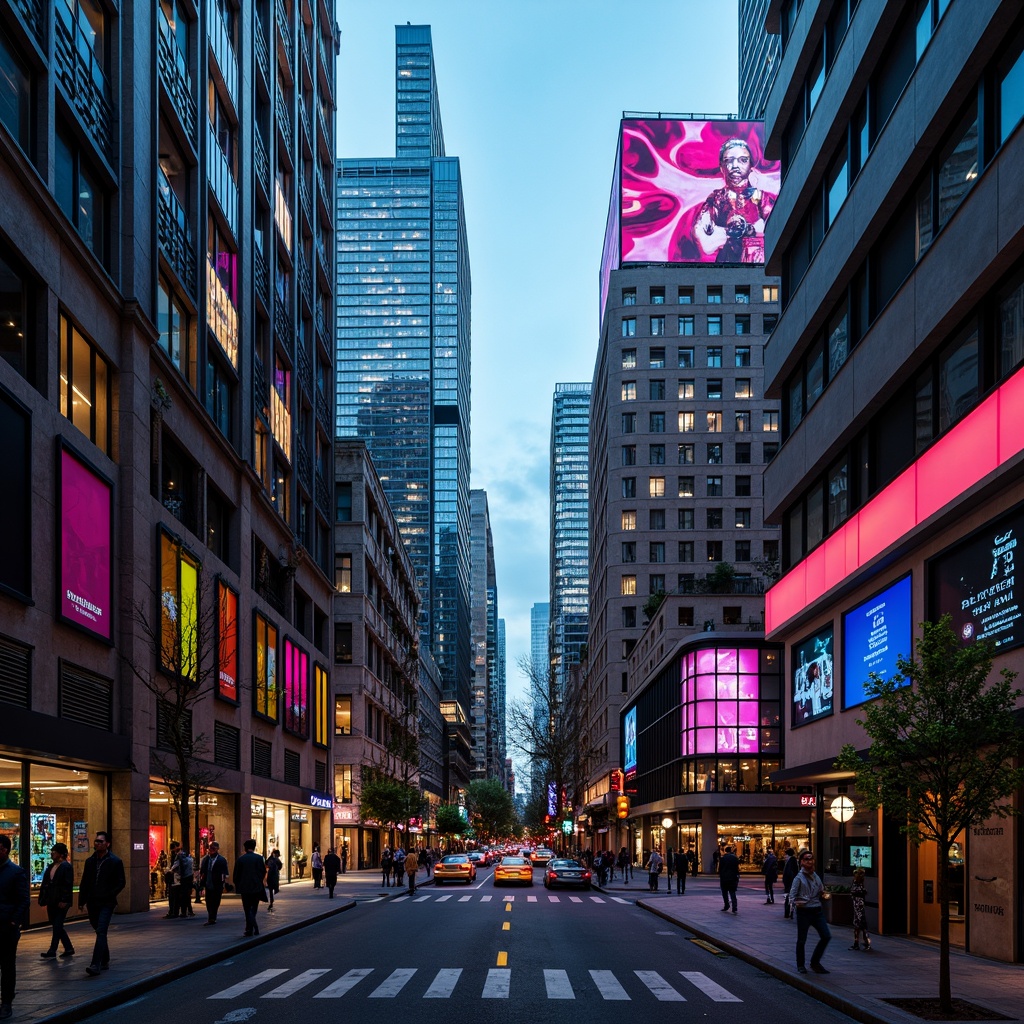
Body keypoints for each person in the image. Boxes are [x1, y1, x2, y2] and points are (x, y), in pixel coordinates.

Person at [691, 137, 776, 263]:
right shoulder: (716, 200)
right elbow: (703, 239)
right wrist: (731, 232)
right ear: (722, 167)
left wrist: (750, 231)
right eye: (729, 161)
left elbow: (776, 230)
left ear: (751, 166)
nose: (735, 166)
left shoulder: (762, 199)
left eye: (742, 160)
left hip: (756, 266)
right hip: (725, 267)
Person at [78, 830, 125, 977]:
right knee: (98, 929)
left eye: (100, 841)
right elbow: (84, 882)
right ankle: (105, 958)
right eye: (96, 841)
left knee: (101, 930)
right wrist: (81, 901)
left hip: (107, 902)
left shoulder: (115, 861)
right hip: (93, 902)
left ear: (107, 844)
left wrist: (110, 893)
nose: (97, 844)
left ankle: (95, 964)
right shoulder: (90, 861)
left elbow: (121, 882)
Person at [0, 834, 29, 1019]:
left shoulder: (16, 872)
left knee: (7, 966)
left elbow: (24, 900)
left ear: (4, 850)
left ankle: (6, 1002)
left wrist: (13, 922)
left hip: (6, 928)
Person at [789, 850, 831, 974]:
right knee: (802, 939)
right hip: (804, 912)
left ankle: (815, 962)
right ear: (801, 862)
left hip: (817, 911)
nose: (810, 861)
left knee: (826, 936)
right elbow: (792, 896)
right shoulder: (799, 878)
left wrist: (823, 894)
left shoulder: (816, 876)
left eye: (811, 859)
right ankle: (800, 965)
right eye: (807, 859)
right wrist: (800, 902)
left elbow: (821, 889)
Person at [38, 842, 75, 957]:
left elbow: (67, 885)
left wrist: (65, 900)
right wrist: (43, 898)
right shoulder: (51, 866)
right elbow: (46, 883)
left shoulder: (66, 867)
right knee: (56, 924)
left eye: (54, 852)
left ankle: (52, 950)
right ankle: (68, 948)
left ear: (60, 854)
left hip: (61, 900)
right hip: (52, 899)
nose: (52, 854)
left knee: (57, 924)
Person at [232, 839, 267, 938]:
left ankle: (250, 928)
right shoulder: (259, 858)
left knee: (247, 908)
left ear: (245, 848)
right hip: (256, 887)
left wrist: (238, 884)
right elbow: (263, 872)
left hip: (245, 888)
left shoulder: (240, 859)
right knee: (254, 908)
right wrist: (258, 881)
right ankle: (252, 927)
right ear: (254, 847)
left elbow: (236, 875)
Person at [199, 842, 229, 926]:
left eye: (213, 848)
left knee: (215, 901)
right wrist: (202, 881)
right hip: (208, 882)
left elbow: (225, 872)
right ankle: (210, 916)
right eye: (210, 848)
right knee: (208, 900)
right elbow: (202, 871)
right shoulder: (205, 859)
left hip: (217, 883)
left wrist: (223, 881)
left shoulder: (221, 859)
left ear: (217, 849)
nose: (211, 850)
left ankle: (212, 917)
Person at [850, 868, 872, 951]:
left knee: (861, 924)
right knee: (858, 925)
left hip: (859, 906)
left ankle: (866, 943)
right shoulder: (857, 883)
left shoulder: (859, 884)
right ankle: (858, 943)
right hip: (857, 906)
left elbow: (858, 892)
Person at [719, 844, 740, 913]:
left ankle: (726, 905)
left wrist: (721, 875)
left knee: (725, 893)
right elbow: (737, 868)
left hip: (724, 877)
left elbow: (720, 868)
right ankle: (734, 907)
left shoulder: (723, 858)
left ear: (725, 851)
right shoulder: (735, 858)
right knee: (732, 892)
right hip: (733, 877)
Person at [175, 845, 195, 918]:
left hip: (184, 878)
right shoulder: (190, 859)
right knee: (187, 895)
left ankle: (184, 912)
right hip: (189, 878)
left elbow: (175, 867)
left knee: (184, 896)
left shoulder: (181, 858)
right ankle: (189, 911)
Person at [164, 841, 181, 918]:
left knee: (174, 896)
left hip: (175, 878)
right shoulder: (174, 856)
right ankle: (173, 911)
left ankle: (174, 911)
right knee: (173, 896)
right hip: (173, 878)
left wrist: (169, 871)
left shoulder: (177, 856)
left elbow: (174, 866)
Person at [782, 847, 800, 919]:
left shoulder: (792, 860)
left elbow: (790, 873)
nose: (784, 856)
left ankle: (789, 912)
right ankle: (789, 912)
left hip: (790, 883)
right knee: (789, 898)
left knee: (789, 898)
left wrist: (789, 882)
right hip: (790, 883)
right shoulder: (791, 860)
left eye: (785, 854)